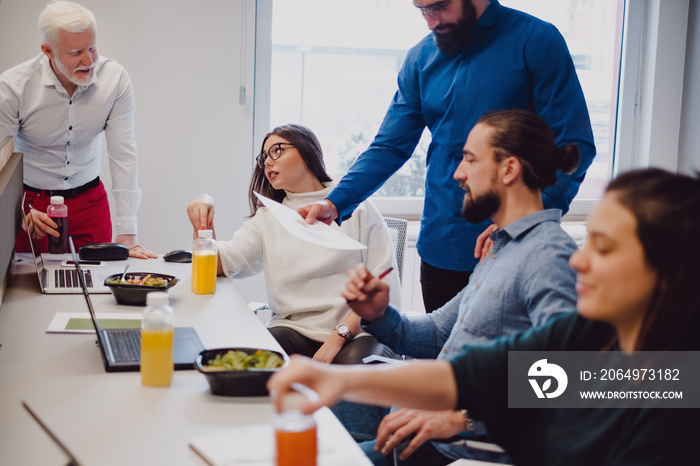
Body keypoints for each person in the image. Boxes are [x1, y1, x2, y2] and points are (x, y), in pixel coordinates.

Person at [269, 167, 700, 465]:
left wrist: (463, 421)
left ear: (667, 271)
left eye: (603, 249)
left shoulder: (669, 389)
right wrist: (336, 378)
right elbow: (477, 376)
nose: (578, 263)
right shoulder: (591, 338)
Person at [297, 0, 596, 314]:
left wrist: (528, 223)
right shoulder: (420, 58)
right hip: (441, 247)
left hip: (516, 247)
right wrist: (334, 202)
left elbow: (574, 145)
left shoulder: (537, 41)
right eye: (421, 10)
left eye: (439, 6)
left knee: (511, 362)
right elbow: (390, 146)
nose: (430, 21)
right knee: (442, 355)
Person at [335, 109, 580, 464]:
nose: (458, 174)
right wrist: (379, 315)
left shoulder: (547, 257)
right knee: (311, 407)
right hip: (420, 414)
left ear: (509, 169)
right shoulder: (502, 246)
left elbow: (566, 376)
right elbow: (437, 333)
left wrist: (461, 420)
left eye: (469, 159)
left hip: (454, 446)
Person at [186, 123, 401, 365]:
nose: (267, 161)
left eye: (277, 151)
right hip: (292, 331)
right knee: (256, 369)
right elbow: (216, 265)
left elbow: (382, 284)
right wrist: (202, 216)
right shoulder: (267, 218)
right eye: (264, 156)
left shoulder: (357, 207)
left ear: (307, 152)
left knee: (354, 382)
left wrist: (338, 337)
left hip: (359, 331)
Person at [0, 1, 155, 259]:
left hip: (90, 205)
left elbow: (123, 156)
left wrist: (128, 233)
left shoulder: (115, 79)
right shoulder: (13, 87)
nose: (89, 60)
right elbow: (2, 165)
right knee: (26, 291)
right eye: (76, 53)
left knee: (96, 287)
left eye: (93, 48)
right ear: (48, 50)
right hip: (32, 209)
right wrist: (18, 212)